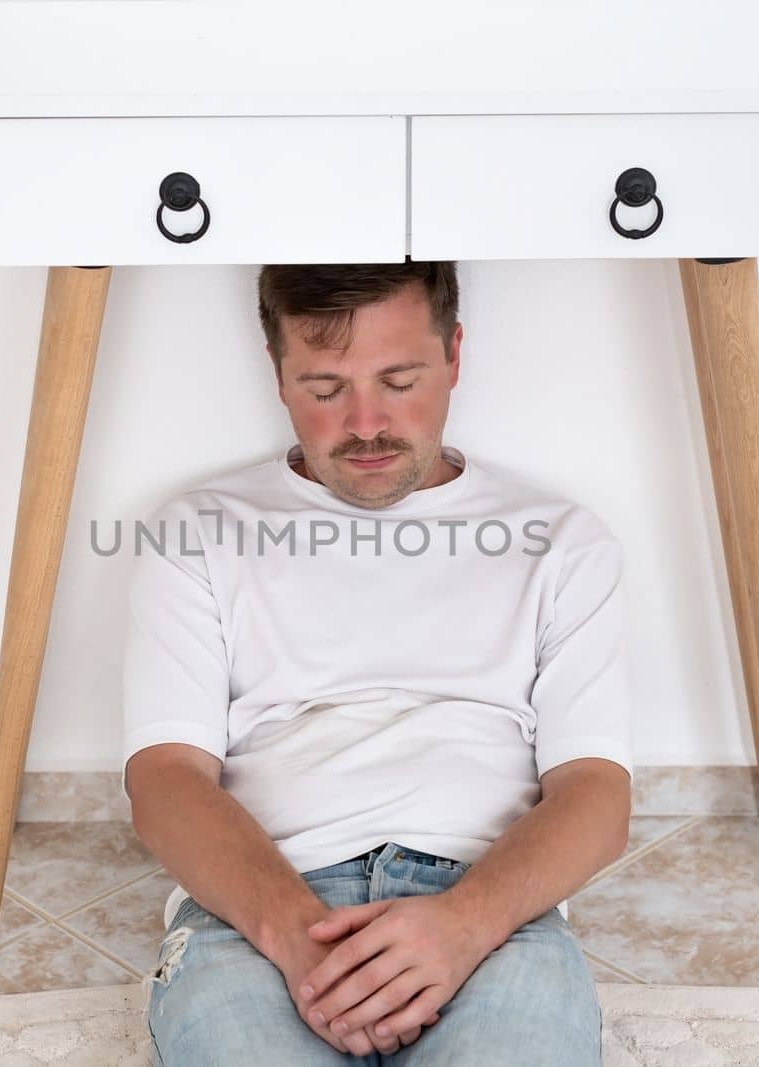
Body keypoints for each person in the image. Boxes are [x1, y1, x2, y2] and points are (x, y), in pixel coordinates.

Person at [122, 261, 633, 1064]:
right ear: (278, 373)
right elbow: (163, 782)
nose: (365, 422)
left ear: (454, 355)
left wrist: (463, 927)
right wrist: (296, 936)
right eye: (325, 388)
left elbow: (598, 795)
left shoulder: (561, 541)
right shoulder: (197, 533)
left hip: (488, 906)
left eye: (399, 379)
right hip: (259, 911)